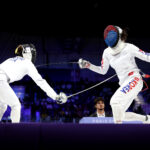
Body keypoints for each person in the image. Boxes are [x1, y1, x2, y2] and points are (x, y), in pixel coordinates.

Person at [78, 25, 150, 123]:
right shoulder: (106, 52)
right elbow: (103, 70)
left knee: (114, 102)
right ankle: (146, 119)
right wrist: (89, 65)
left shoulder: (129, 47)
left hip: (134, 79)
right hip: (124, 83)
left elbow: (147, 56)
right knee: (120, 114)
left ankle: (117, 133)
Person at [0, 44, 67, 123]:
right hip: (1, 80)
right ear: (29, 54)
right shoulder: (28, 63)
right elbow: (41, 82)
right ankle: (15, 132)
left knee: (2, 105)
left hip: (2, 80)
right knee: (16, 105)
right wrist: (55, 96)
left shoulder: (11, 59)